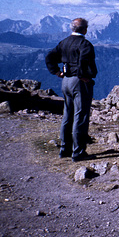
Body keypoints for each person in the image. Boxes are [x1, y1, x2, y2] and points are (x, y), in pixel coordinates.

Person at [45, 18, 98, 162]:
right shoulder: (85, 44)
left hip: (65, 81)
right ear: (85, 30)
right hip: (79, 82)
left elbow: (49, 56)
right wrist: (83, 76)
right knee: (80, 116)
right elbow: (84, 62)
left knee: (68, 114)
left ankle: (64, 149)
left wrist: (57, 72)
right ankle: (78, 153)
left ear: (72, 29)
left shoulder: (64, 42)